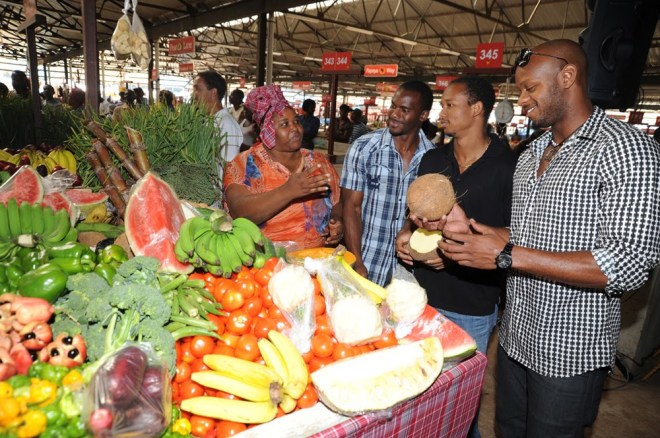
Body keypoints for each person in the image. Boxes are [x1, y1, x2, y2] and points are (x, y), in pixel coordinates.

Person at [434, 40, 660, 437]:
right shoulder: (532, 152)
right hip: (515, 339)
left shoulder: (626, 149)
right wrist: (472, 228)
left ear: (567, 77)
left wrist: (506, 255)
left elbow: (629, 262)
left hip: (569, 352)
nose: (521, 100)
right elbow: (525, 236)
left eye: (530, 88)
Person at [396, 76, 516, 438]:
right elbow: (415, 215)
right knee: (419, 397)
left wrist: (450, 258)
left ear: (477, 109)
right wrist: (406, 235)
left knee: (460, 406)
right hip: (425, 298)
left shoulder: (507, 167)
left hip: (472, 304)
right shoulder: (433, 158)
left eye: (450, 104)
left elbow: (509, 240)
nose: (441, 112)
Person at [223, 84, 343, 250]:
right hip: (267, 263)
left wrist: (336, 221)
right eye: (284, 124)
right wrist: (289, 190)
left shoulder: (318, 161)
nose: (295, 128)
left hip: (317, 260)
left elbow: (337, 200)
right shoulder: (244, 164)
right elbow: (239, 211)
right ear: (266, 131)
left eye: (296, 121)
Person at [341, 80, 435, 286]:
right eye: (393, 105)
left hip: (409, 273)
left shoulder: (433, 159)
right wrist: (356, 260)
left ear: (423, 115)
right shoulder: (364, 148)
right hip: (366, 262)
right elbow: (351, 207)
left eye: (404, 109)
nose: (394, 113)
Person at [192, 71, 243, 178]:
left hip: (217, 193)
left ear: (213, 93)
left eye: (198, 89)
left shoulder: (226, 124)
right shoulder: (209, 120)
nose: (193, 94)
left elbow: (231, 169)